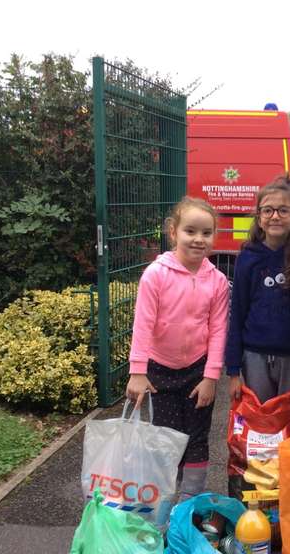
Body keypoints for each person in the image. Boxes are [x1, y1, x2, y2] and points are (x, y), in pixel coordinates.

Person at [126, 196, 229, 501]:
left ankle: (189, 506)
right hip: (160, 374)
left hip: (198, 373)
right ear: (173, 232)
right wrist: (137, 372)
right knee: (165, 441)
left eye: (206, 233)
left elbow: (219, 330)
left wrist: (211, 377)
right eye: (190, 231)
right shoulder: (156, 275)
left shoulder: (218, 281)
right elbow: (143, 324)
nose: (199, 239)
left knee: (197, 439)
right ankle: (162, 505)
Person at [226, 177, 290, 403]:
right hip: (255, 357)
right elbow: (237, 313)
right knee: (261, 427)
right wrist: (233, 371)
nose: (275, 216)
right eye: (268, 210)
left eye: (283, 210)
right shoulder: (247, 258)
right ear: (259, 218)